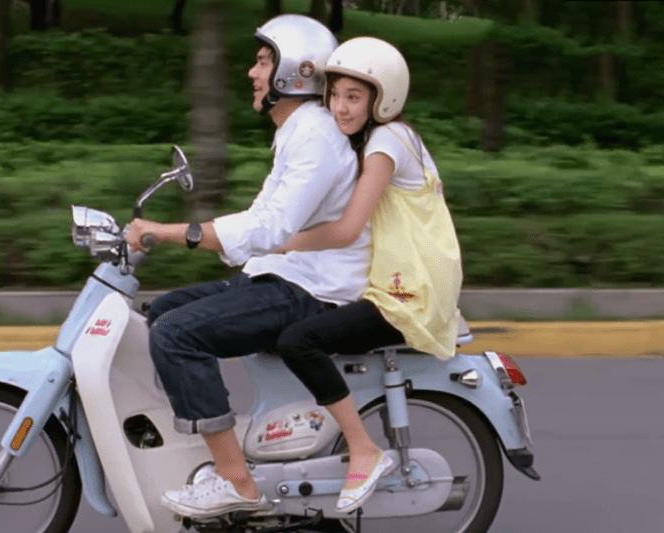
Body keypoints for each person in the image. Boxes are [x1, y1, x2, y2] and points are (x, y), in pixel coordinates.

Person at [123, 14, 372, 519]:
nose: (252, 73)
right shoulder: (297, 133)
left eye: (262, 62)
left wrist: (171, 232)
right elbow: (262, 225)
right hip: (282, 275)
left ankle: (236, 481)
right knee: (164, 311)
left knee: (176, 334)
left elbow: (269, 229)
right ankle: (203, 441)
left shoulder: (316, 137)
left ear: (295, 72)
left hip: (311, 289)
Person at [271, 36, 464, 514]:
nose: (340, 107)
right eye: (334, 94)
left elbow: (347, 229)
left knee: (299, 340)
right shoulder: (396, 137)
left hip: (408, 296)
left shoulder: (385, 143)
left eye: (354, 97)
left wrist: (283, 240)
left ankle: (363, 449)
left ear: (384, 98)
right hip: (411, 285)